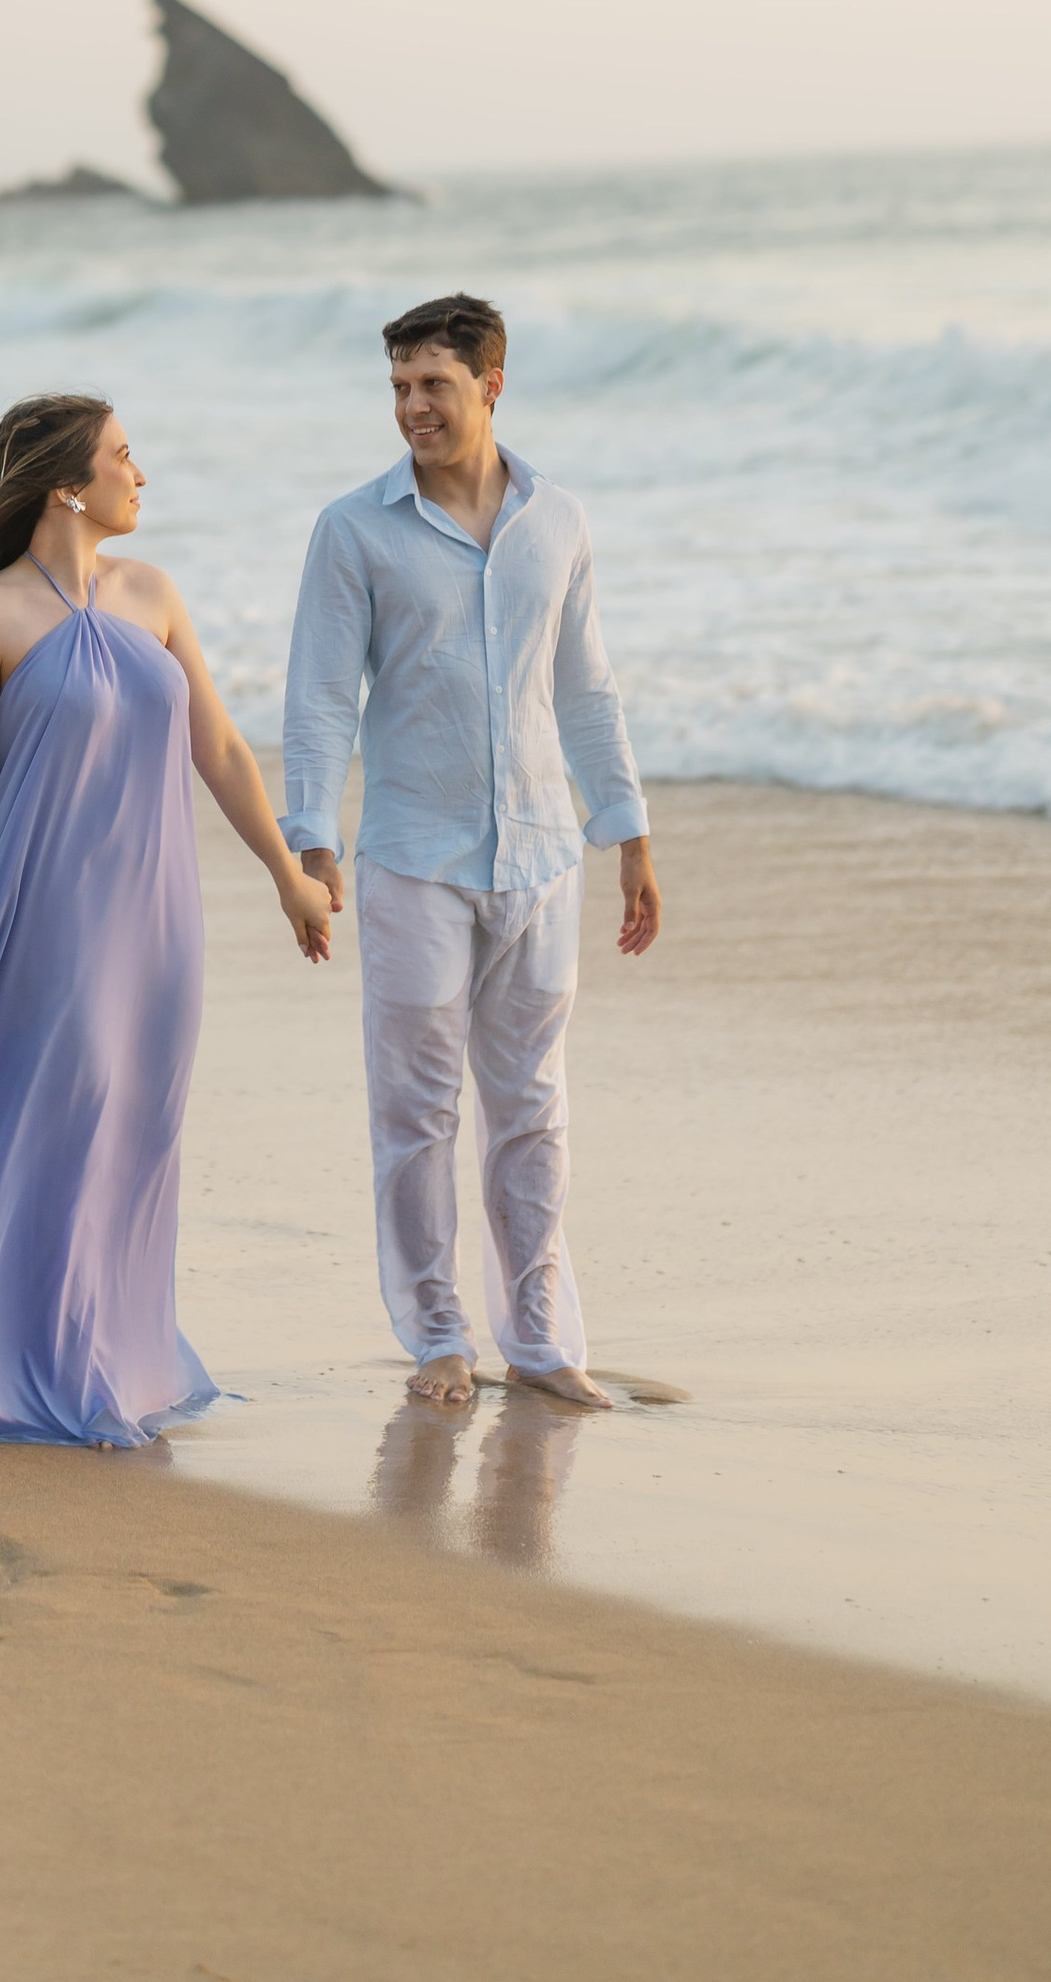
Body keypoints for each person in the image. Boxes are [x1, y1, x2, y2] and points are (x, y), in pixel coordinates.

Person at [0, 390, 336, 1448]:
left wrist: (286, 873)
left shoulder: (153, 594)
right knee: (49, 1123)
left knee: (131, 1131)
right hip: (39, 922)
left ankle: (108, 1355)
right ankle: (15, 1364)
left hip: (155, 924)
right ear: (68, 483)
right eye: (123, 455)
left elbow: (220, 749)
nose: (139, 473)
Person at [282, 293, 662, 1412]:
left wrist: (628, 833)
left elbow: (587, 688)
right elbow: (318, 699)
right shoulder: (353, 530)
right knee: (414, 1113)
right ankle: (437, 1331)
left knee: (532, 1108)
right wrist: (312, 839)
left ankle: (541, 1340)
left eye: (432, 385)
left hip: (546, 856)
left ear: (492, 383)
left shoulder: (559, 520)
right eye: (398, 386)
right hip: (412, 860)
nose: (411, 407)